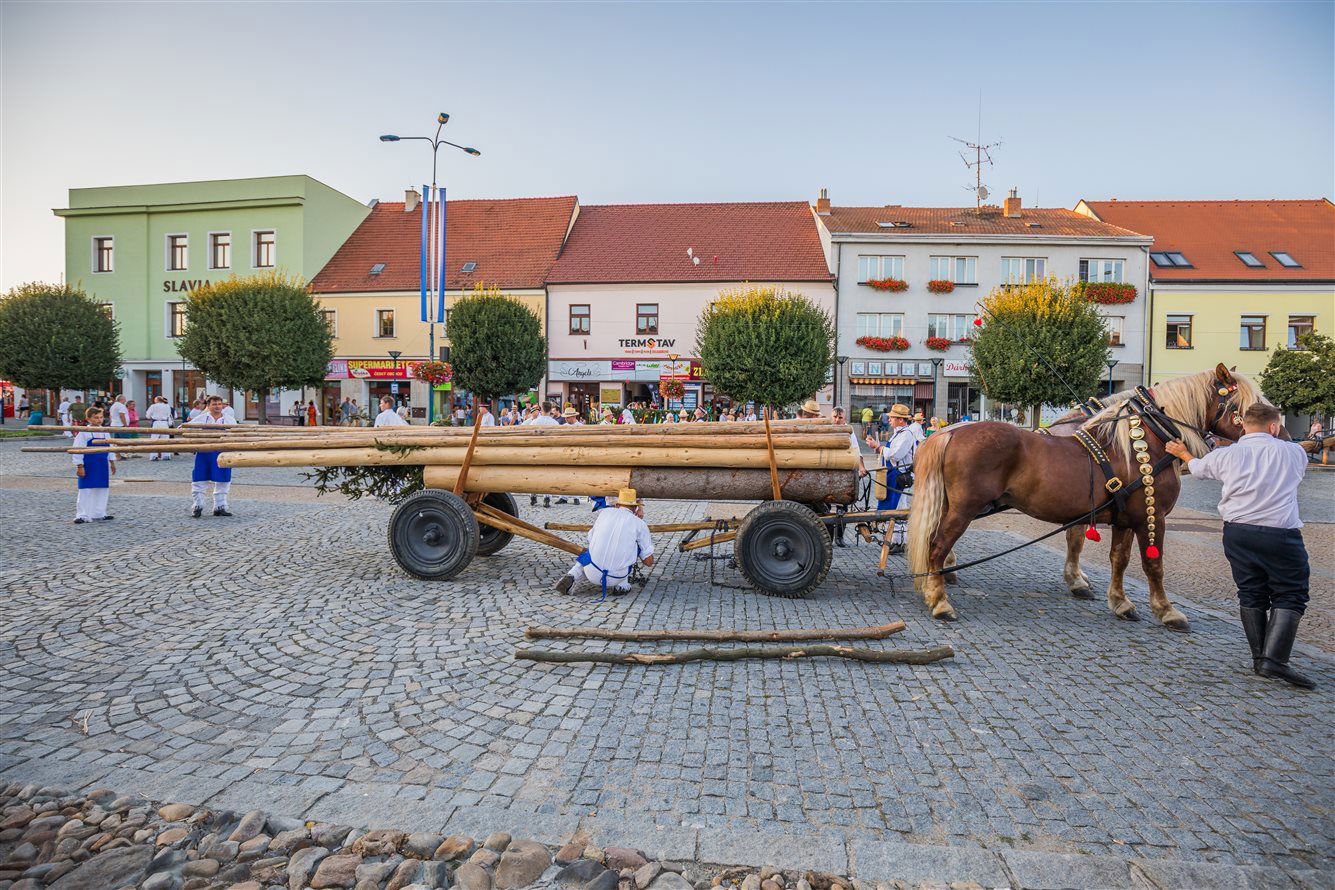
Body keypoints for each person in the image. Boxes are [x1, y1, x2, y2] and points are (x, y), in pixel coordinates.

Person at [1165, 403, 1315, 689]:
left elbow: (1197, 468)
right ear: (1274, 426)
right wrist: (1279, 434)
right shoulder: (1293, 452)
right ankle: (1275, 660)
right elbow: (1291, 452)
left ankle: (1260, 658)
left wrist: (1183, 452)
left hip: (1237, 533)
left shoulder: (1226, 455)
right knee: (1291, 593)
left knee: (1251, 592)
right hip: (1280, 535)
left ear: (1243, 425)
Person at [554, 488, 655, 597]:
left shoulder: (604, 513)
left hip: (592, 573)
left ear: (617, 505)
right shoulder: (640, 524)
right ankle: (622, 585)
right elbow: (648, 562)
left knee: (589, 552)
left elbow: (590, 539)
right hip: (617, 577)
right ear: (635, 508)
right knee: (634, 544)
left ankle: (573, 574)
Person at [865, 403, 916, 552]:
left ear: (901, 420)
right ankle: (898, 540)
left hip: (900, 474)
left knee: (899, 508)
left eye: (893, 418)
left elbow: (895, 454)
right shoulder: (898, 433)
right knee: (898, 507)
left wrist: (878, 447)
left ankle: (900, 541)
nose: (890, 420)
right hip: (894, 473)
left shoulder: (906, 434)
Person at [186, 396, 234, 518]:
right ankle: (198, 506)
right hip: (205, 452)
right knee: (200, 477)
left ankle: (220, 506)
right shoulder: (202, 418)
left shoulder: (229, 419)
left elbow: (236, 432)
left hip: (223, 453)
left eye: (219, 404)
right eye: (214, 404)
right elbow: (185, 428)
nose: (217, 406)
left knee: (223, 478)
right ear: (208, 406)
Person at [71, 405, 115, 523]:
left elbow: (110, 447)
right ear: (89, 419)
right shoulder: (84, 433)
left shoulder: (105, 432)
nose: (99, 420)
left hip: (101, 465)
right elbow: (77, 449)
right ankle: (82, 514)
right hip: (89, 465)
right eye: (96, 418)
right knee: (86, 489)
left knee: (102, 489)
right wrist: (80, 466)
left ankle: (99, 512)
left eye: (101, 417)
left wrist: (112, 462)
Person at [145, 396, 174, 460]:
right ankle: (166, 455)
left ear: (156, 400)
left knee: (154, 439)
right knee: (165, 439)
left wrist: (153, 416)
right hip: (165, 423)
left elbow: (147, 416)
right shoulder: (167, 406)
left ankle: (154, 456)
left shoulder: (153, 406)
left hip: (156, 422)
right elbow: (169, 414)